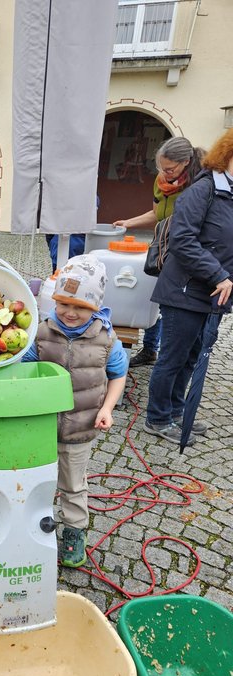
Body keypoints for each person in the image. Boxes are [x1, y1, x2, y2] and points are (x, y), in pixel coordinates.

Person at [23, 255, 128, 567]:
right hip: (40, 428)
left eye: (80, 307)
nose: (70, 312)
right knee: (36, 481)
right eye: (63, 304)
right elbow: (22, 370)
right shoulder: (41, 332)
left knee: (73, 484)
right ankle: (35, 526)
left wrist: (107, 408)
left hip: (81, 429)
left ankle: (74, 531)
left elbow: (118, 374)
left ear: (95, 306)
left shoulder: (106, 339)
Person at [144, 129, 233, 445]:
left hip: (210, 294)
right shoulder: (203, 189)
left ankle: (177, 411)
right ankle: (157, 417)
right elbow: (182, 240)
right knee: (173, 357)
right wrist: (218, 274)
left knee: (191, 356)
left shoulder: (228, 193)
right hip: (183, 290)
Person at [114, 137, 204, 367]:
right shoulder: (161, 181)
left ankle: (170, 356)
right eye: (161, 168)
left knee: (171, 304)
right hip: (162, 248)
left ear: (185, 162)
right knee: (153, 295)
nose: (164, 174)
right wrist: (128, 222)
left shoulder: (200, 184)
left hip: (185, 251)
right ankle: (150, 349)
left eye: (169, 169)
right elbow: (156, 214)